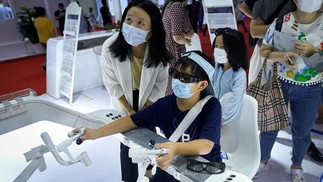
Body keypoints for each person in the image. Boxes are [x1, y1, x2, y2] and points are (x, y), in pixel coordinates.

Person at [75, 50, 221, 182]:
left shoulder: (211, 106)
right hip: (171, 163)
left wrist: (175, 148)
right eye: (175, 74)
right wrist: (95, 133)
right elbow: (131, 121)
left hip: (204, 169)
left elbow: (205, 145)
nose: (176, 80)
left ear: (202, 85)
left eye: (184, 78)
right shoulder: (164, 105)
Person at [100, 1, 172, 181]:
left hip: (148, 101)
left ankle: (149, 170)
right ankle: (128, 179)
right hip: (123, 100)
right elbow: (112, 83)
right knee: (127, 142)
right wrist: (130, 112)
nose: (133, 26)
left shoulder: (160, 51)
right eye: (129, 20)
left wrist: (145, 110)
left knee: (150, 134)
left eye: (141, 23)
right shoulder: (110, 47)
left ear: (152, 28)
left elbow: (159, 85)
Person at [259, 0, 323, 181]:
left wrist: (312, 52)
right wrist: (281, 56)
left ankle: (297, 165)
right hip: (279, 82)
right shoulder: (282, 22)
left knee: (302, 131)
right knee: (269, 125)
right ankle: (263, 160)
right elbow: (264, 50)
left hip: (310, 88)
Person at [212, 28, 248, 124]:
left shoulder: (239, 74)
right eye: (216, 46)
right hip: (215, 114)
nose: (217, 50)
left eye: (222, 47)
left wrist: (222, 119)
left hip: (230, 120)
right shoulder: (217, 68)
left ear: (233, 49)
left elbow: (235, 101)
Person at [162, 0, 194, 95]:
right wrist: (187, 41)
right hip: (175, 50)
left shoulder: (171, 5)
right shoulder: (177, 7)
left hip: (171, 48)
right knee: (174, 80)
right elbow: (177, 37)